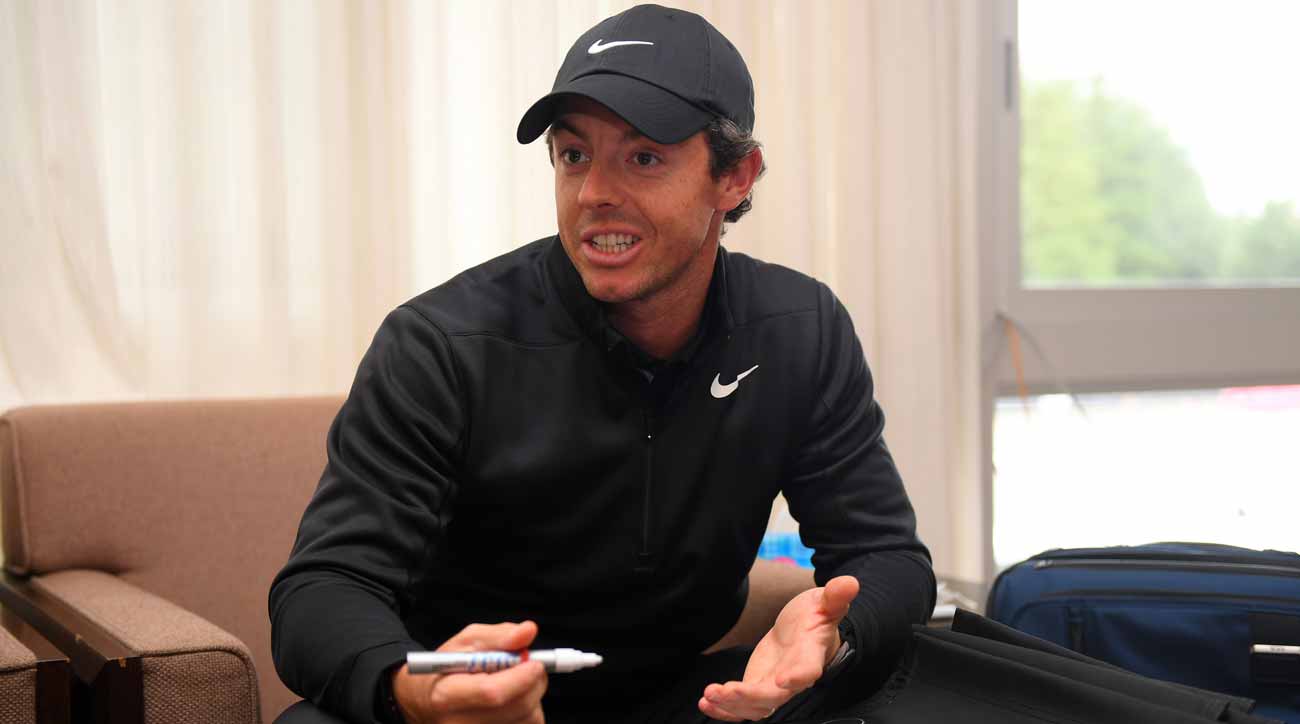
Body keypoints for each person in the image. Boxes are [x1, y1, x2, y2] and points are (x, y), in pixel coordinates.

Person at [269, 5, 935, 723]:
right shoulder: (440, 344)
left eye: (643, 157)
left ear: (735, 178)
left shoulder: (799, 329)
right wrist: (415, 689)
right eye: (573, 155)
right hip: (479, 710)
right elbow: (323, 590)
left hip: (693, 700)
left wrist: (834, 639)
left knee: (925, 691)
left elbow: (887, 557)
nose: (591, 195)